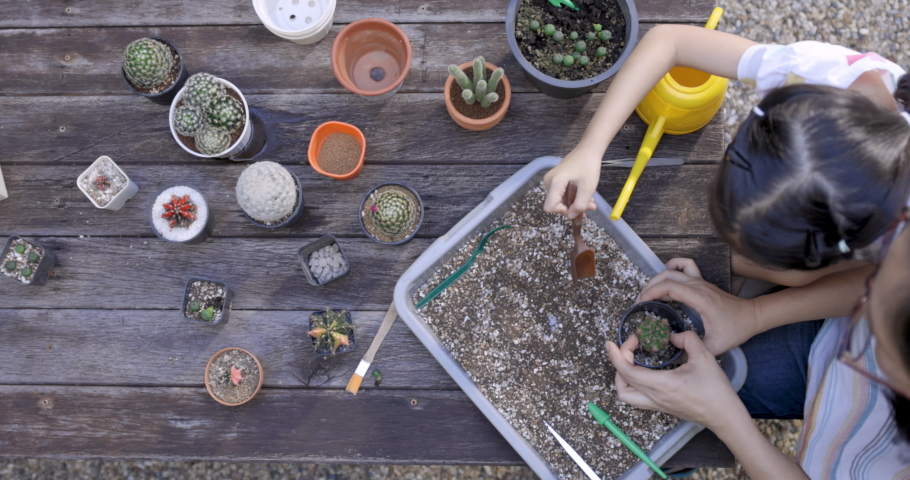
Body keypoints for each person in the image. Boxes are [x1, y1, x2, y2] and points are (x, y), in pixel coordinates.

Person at [542, 25, 910, 293]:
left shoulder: (894, 231)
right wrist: (590, 148)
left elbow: (863, 281)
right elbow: (669, 41)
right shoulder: (815, 74)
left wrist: (751, 306)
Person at [606, 211, 910, 478]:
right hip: (830, 334)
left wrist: (724, 419)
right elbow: (887, 278)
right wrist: (753, 312)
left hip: (842, 436)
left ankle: (676, 461)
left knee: (675, 407)